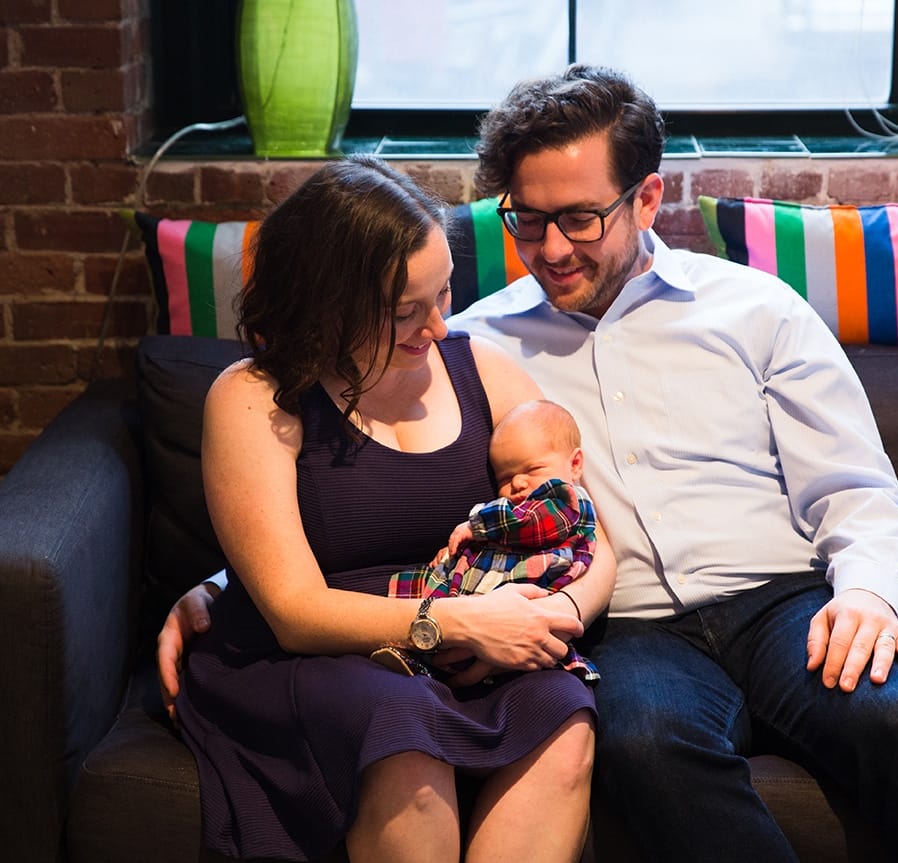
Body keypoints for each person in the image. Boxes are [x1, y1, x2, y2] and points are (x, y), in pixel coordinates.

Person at [161, 67, 898, 861]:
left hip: (784, 601)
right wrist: (222, 583)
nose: (550, 249)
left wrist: (868, 594)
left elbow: (857, 488)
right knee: (645, 746)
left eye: (578, 218)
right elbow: (360, 488)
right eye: (527, 220)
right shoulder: (475, 342)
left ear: (647, 197)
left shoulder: (754, 309)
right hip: (629, 631)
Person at [169, 153, 614, 863]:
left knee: (564, 716)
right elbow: (292, 607)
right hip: (321, 654)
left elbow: (585, 529)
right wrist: (454, 621)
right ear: (327, 306)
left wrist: (555, 614)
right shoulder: (256, 398)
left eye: (442, 295)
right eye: (406, 311)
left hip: (472, 648)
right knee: (402, 726)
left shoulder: (485, 372)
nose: (437, 327)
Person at [376, 398, 599, 682]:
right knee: (434, 587)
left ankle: (430, 661)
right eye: (505, 477)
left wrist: (475, 527)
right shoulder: (508, 520)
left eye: (532, 470)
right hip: (491, 590)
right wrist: (458, 553)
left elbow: (529, 523)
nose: (517, 483)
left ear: (575, 463)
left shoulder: (568, 501)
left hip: (531, 599)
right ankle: (414, 653)